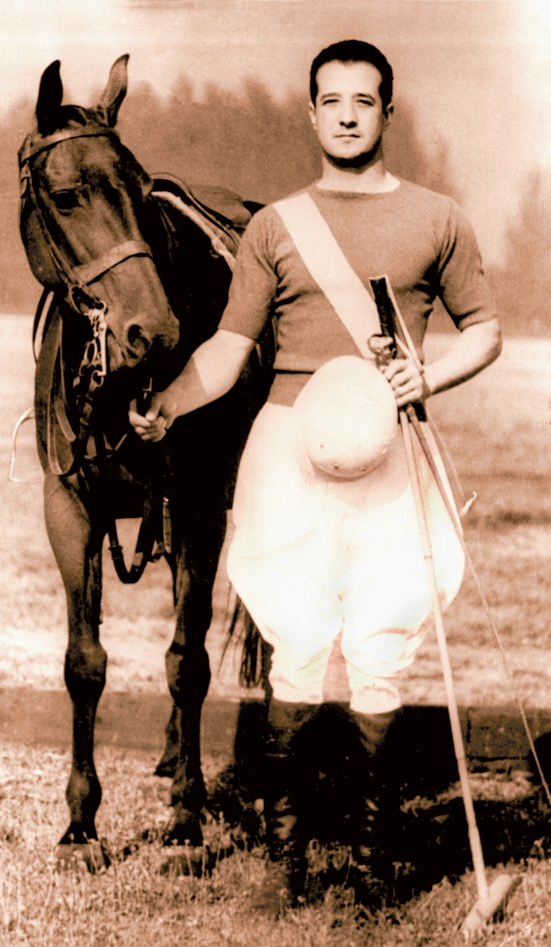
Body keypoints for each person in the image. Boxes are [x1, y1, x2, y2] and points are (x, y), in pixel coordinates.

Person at [129, 39, 502, 912]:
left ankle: (373, 863)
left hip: (390, 453)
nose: (344, 114)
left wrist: (427, 375)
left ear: (385, 112)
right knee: (296, 648)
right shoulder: (274, 227)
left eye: (361, 101)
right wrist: (167, 404)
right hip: (288, 449)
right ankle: (292, 864)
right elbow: (226, 354)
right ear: (311, 113)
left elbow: (485, 329)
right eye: (329, 99)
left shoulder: (438, 217)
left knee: (379, 650)